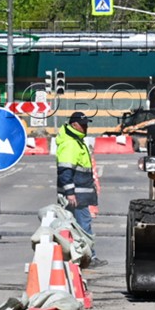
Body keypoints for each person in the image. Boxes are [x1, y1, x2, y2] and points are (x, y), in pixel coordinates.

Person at [54, 111, 103, 261]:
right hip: (76, 196)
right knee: (83, 227)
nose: (85, 127)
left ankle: (76, 256)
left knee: (73, 227)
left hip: (79, 195)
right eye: (83, 125)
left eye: (86, 124)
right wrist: (70, 193)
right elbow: (65, 171)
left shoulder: (76, 141)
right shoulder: (70, 144)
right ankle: (88, 258)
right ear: (74, 125)